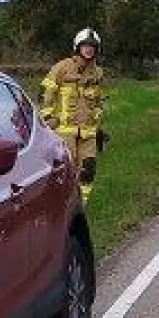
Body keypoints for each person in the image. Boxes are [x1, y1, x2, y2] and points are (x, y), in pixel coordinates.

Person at [40, 28, 107, 205]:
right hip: (64, 130)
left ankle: (80, 207)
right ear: (77, 47)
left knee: (88, 170)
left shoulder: (98, 73)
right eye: (85, 45)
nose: (89, 49)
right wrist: (48, 119)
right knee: (66, 171)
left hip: (88, 133)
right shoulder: (61, 68)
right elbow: (46, 93)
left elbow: (98, 101)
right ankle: (62, 207)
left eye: (92, 46)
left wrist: (97, 123)